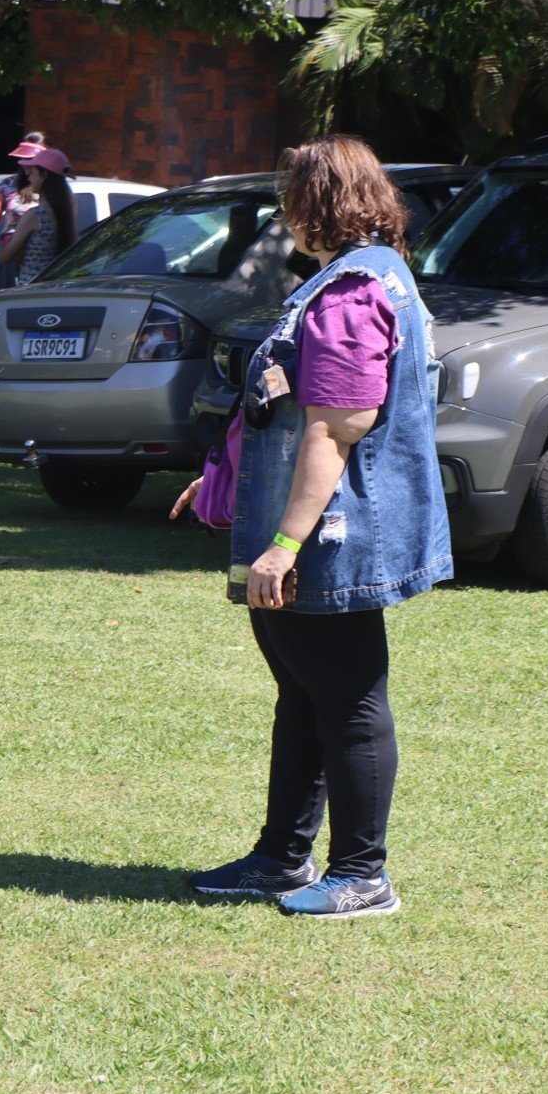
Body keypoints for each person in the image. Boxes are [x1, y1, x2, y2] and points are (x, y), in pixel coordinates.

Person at [170, 134, 451, 919]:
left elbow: (340, 427)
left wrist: (283, 544)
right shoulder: (369, 279)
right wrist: (226, 476)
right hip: (322, 526)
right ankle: (281, 859)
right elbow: (296, 416)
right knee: (306, 693)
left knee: (350, 700)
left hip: (333, 538)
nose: (287, 213)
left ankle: (363, 875)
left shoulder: (352, 293)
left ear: (316, 203)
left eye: (293, 197)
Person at [0, 143, 78, 290]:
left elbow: (5, 258)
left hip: (31, 290)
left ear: (44, 175)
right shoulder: (67, 206)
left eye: (33, 171)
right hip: (56, 287)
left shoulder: (34, 215)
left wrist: (13, 240)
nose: (28, 175)